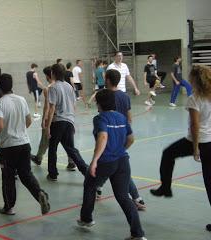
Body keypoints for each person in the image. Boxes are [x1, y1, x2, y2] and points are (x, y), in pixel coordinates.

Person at [78, 89, 146, 240]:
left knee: (90, 185)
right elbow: (131, 139)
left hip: (105, 162)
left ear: (99, 103)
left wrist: (95, 160)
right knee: (123, 197)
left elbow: (103, 136)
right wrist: (120, 150)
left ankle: (86, 219)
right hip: (122, 161)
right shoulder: (121, 117)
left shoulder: (100, 118)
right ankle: (138, 234)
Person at [151, 65, 211, 232]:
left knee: (168, 153)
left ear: (195, 80)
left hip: (200, 141)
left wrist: (195, 147)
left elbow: (195, 124)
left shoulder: (195, 98)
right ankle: (165, 187)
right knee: (209, 182)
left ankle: (165, 187)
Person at [0, 73, 50, 215]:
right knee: (26, 174)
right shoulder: (21, 100)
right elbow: (28, 121)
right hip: (24, 144)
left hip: (8, 147)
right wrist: (19, 131)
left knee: (8, 178)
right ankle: (40, 193)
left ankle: (9, 207)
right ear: (12, 85)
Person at [97, 69, 146, 210]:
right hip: (122, 138)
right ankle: (137, 198)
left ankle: (96, 188)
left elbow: (101, 117)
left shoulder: (104, 96)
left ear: (107, 80)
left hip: (108, 138)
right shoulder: (125, 97)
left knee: (108, 166)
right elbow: (129, 119)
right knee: (118, 167)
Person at [45, 64, 88, 181]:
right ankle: (86, 171)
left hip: (58, 121)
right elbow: (74, 105)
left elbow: (52, 108)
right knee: (71, 149)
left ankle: (53, 174)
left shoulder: (53, 87)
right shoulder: (69, 87)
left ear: (53, 73)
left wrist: (48, 126)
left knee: (53, 148)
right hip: (69, 121)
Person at [30, 66, 77, 171]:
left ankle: (41, 160)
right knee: (68, 142)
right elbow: (73, 104)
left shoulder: (50, 88)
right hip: (68, 118)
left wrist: (44, 121)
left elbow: (48, 107)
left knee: (48, 141)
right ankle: (71, 162)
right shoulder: (67, 86)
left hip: (55, 119)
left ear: (49, 75)